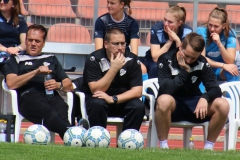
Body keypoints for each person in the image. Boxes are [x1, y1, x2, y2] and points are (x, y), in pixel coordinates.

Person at [155, 32, 229, 150]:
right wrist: (185, 71)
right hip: (173, 105)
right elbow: (166, 89)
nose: (189, 61)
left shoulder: (202, 61)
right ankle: (164, 146)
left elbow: (215, 88)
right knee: (163, 100)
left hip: (195, 106)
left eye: (193, 57)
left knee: (223, 104)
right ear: (180, 47)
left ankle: (208, 148)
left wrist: (205, 97)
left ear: (199, 54)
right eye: (186, 55)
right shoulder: (166, 59)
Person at [3, 24, 73, 139]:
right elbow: (11, 83)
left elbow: (69, 85)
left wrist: (57, 85)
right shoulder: (15, 59)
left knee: (61, 108)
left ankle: (70, 135)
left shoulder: (51, 58)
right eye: (30, 40)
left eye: (37, 41)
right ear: (25, 41)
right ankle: (72, 133)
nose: (33, 44)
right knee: (46, 110)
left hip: (51, 94)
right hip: (29, 96)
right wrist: (35, 72)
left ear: (43, 43)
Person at [81, 28, 145, 131]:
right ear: (106, 44)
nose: (120, 47)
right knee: (98, 103)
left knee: (138, 106)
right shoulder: (94, 59)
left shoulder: (132, 60)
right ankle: (99, 140)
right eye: (115, 44)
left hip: (121, 101)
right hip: (99, 100)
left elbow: (137, 91)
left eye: (123, 43)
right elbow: (95, 89)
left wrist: (113, 99)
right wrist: (114, 69)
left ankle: (127, 142)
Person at [94, 0, 148, 79]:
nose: (109, 5)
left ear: (121, 4)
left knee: (143, 69)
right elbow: (98, 50)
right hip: (106, 56)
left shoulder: (132, 23)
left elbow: (134, 52)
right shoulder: (101, 21)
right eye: (108, 2)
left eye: (112, 3)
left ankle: (140, 91)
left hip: (124, 56)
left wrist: (127, 63)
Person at [143, 5, 192, 79]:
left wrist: (177, 40)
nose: (165, 24)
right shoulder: (157, 29)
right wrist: (170, 40)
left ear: (179, 23)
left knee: (182, 67)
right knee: (156, 67)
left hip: (174, 59)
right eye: (165, 20)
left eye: (170, 22)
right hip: (154, 61)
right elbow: (155, 58)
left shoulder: (187, 31)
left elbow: (182, 58)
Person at [197, 7, 238, 82]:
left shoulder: (230, 34)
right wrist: (223, 65)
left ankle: (234, 93)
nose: (212, 29)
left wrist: (219, 44)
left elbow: (230, 61)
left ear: (223, 25)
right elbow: (202, 59)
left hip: (220, 70)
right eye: (210, 25)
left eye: (216, 26)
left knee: (233, 72)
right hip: (205, 68)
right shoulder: (201, 32)